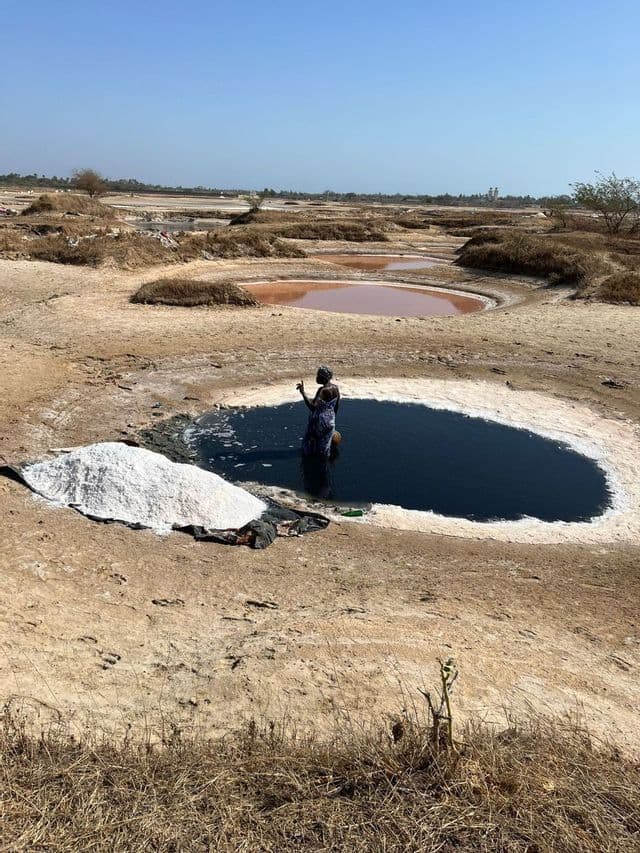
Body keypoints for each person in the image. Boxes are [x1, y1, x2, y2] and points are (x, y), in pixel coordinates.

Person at [297, 366, 340, 457]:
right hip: (330, 421)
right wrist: (331, 420)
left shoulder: (322, 390)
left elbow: (313, 407)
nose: (316, 378)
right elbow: (336, 406)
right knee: (324, 448)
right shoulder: (335, 388)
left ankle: (309, 465)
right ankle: (324, 467)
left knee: (309, 442)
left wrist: (303, 393)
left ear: (323, 377)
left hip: (319, 422)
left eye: (318, 376)